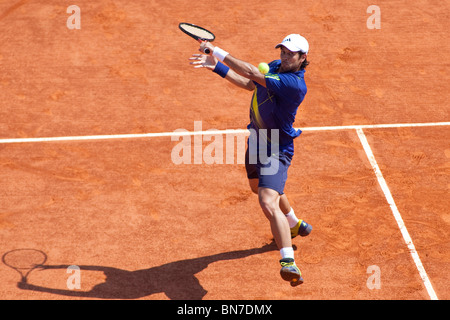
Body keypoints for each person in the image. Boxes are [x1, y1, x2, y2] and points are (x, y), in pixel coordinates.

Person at [189, 34, 312, 286]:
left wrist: (217, 51)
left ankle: (288, 261)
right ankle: (293, 223)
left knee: (267, 202)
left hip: (277, 147)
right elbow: (250, 83)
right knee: (259, 187)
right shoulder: (277, 67)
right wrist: (217, 67)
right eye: (283, 51)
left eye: (291, 53)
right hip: (256, 141)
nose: (285, 56)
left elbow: (250, 71)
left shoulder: (294, 84)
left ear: (302, 58)